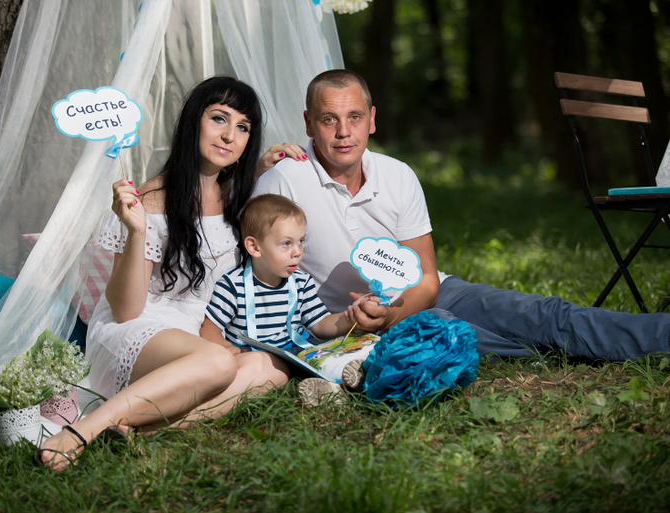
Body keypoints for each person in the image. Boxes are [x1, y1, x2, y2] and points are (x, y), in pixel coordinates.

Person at [253, 69, 670, 372]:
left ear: (372, 119)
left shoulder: (397, 174)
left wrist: (394, 314)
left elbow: (427, 280)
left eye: (355, 117)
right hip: (346, 322)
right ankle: (556, 352)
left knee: (543, 313)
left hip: (429, 295)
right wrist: (367, 321)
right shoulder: (283, 180)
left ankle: (660, 336)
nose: (344, 132)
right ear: (309, 123)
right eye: (329, 119)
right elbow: (258, 273)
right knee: (448, 331)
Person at [35, 77, 304, 471]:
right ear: (194, 121)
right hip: (136, 331)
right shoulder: (150, 200)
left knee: (273, 369)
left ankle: (139, 431)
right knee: (219, 363)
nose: (229, 135)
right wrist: (136, 231)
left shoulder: (235, 200)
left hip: (194, 339)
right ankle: (82, 431)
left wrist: (265, 165)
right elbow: (125, 310)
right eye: (219, 119)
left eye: (243, 127)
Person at [201, 194, 369, 355]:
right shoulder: (232, 286)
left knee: (350, 352)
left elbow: (320, 325)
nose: (297, 252)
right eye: (286, 243)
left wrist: (352, 317)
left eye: (300, 241)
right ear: (254, 247)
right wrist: (225, 347)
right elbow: (210, 327)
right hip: (253, 356)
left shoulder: (301, 282)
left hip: (298, 350)